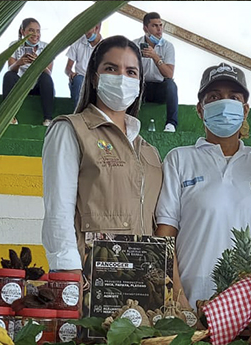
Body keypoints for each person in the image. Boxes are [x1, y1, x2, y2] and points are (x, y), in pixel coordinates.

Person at [155, 63, 251, 307]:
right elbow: (165, 236)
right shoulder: (179, 159)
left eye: (233, 97)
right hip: (190, 298)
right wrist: (179, 301)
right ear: (200, 109)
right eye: (214, 97)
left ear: (245, 110)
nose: (224, 103)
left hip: (247, 306)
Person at [41, 36, 163, 274]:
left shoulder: (148, 150)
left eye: (131, 72)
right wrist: (69, 275)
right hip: (91, 280)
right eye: (111, 68)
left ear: (139, 84)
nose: (121, 78)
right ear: (95, 78)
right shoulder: (70, 130)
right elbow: (58, 211)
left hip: (143, 284)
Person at [3, 18, 55, 126]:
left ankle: (48, 119)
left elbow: (49, 72)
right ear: (23, 32)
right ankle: (9, 117)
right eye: (31, 30)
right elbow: (10, 68)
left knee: (46, 78)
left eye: (38, 31)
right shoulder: (15, 45)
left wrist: (39, 64)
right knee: (8, 76)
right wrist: (19, 63)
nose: (35, 34)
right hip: (20, 87)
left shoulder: (46, 47)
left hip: (37, 87)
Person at [139, 12, 178, 132]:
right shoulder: (135, 44)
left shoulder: (168, 47)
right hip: (142, 87)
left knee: (171, 84)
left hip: (160, 88)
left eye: (161, 25)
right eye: (155, 26)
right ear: (146, 28)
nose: (159, 29)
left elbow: (169, 74)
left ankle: (171, 124)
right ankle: (126, 120)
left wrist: (155, 57)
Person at [64, 23, 102, 105]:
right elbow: (67, 68)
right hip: (80, 80)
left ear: (97, 28)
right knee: (78, 80)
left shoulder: (105, 46)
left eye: (88, 33)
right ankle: (78, 112)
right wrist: (71, 73)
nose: (86, 34)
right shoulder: (77, 43)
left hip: (97, 80)